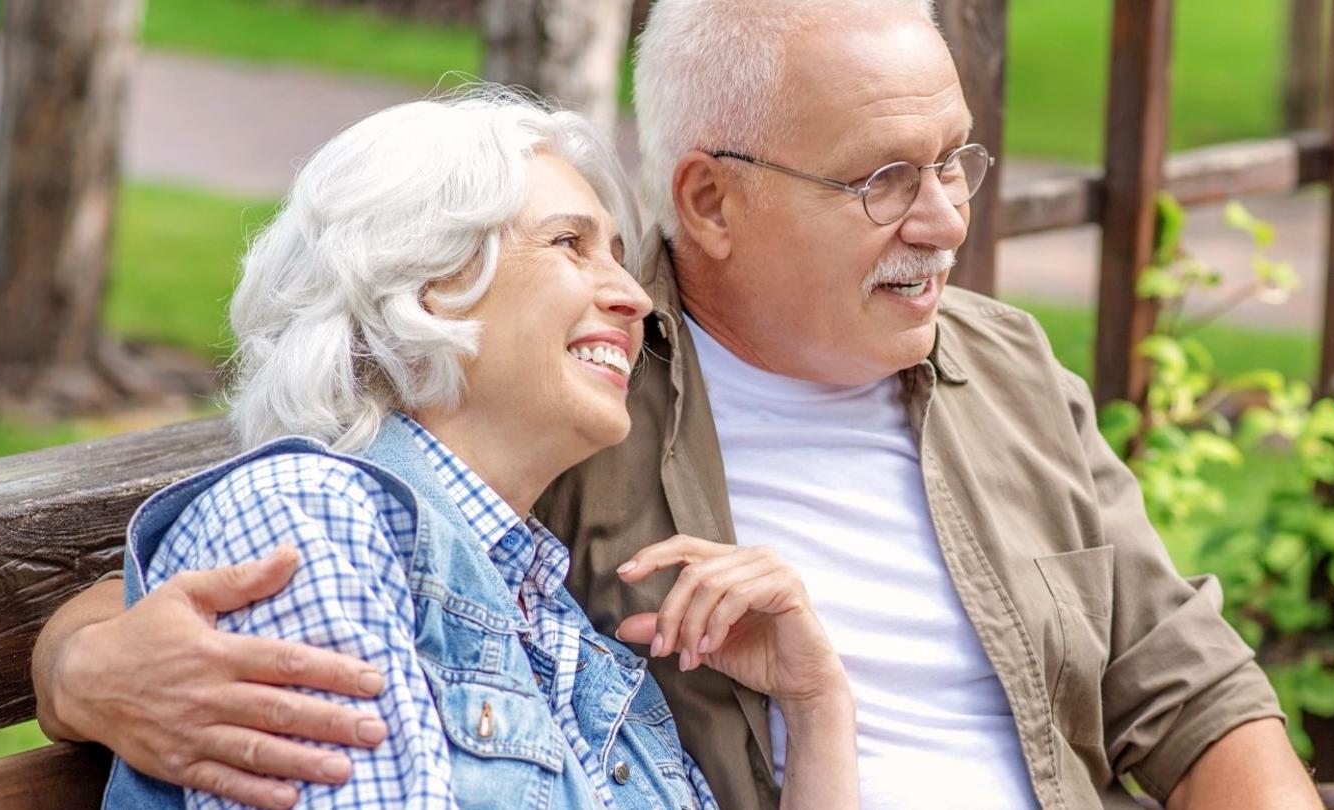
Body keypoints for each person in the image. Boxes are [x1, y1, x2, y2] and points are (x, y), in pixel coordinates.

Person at [34, 1, 1324, 807]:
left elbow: (1189, 685)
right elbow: (280, 517)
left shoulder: (1007, 367)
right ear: (707, 199)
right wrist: (85, 662)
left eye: (955, 161)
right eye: (885, 178)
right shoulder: (568, 391)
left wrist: (817, 701)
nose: (947, 222)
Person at [95, 90, 858, 810]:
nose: (635, 296)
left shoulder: (555, 621)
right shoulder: (310, 522)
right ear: (424, 279)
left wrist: (818, 705)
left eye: (620, 255)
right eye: (571, 244)